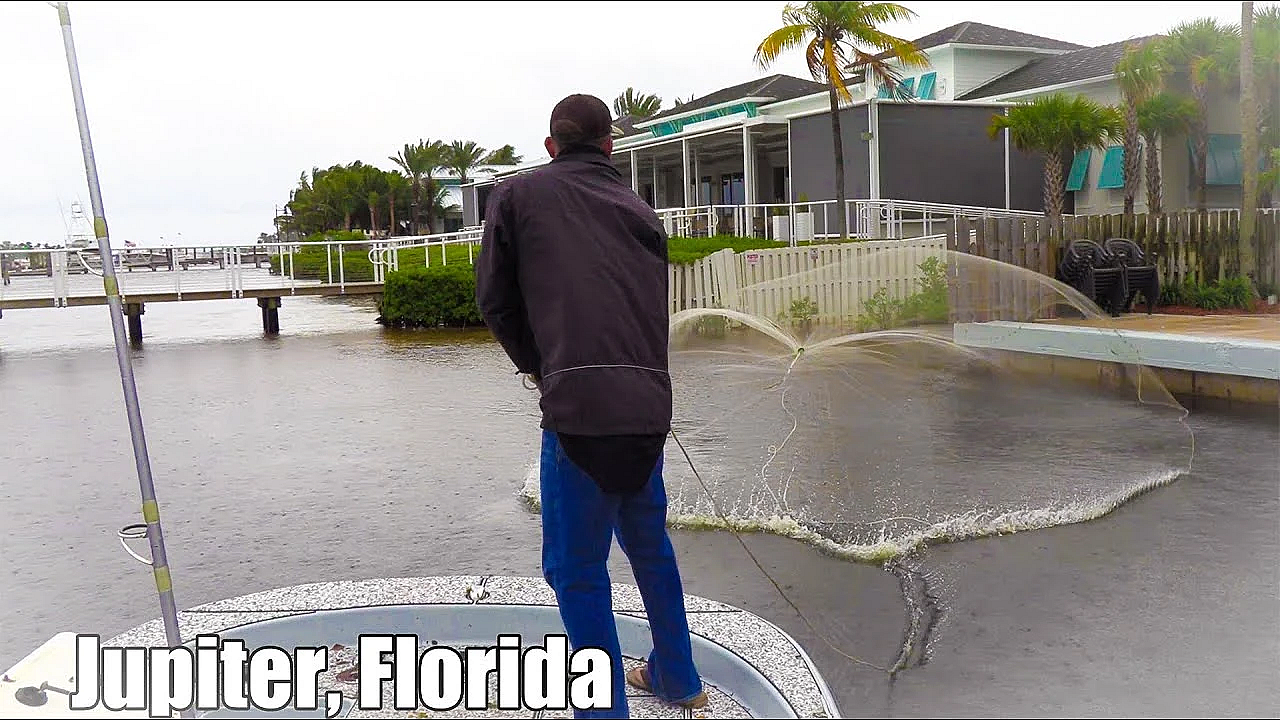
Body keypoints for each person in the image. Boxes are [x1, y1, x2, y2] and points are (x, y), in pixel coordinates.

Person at [475, 93, 707, 718]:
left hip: (577, 412)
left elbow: (494, 302)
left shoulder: (517, 195)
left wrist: (543, 367)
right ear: (610, 146)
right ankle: (679, 679)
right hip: (647, 411)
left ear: (552, 146)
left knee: (577, 571)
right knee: (650, 547)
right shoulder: (641, 211)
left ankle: (601, 710)